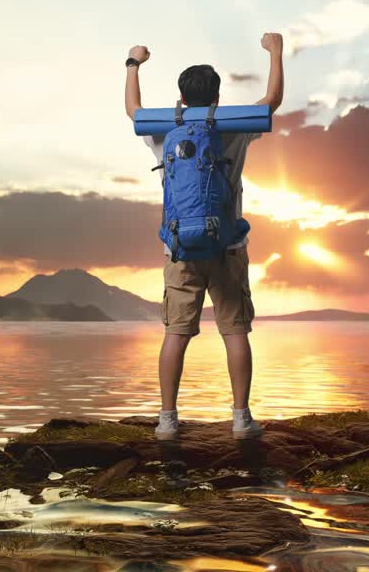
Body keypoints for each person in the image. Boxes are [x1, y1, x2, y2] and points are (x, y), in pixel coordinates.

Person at [124, 32, 285, 441]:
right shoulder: (233, 130)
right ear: (216, 98)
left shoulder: (163, 132)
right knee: (234, 331)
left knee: (176, 334)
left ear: (181, 98)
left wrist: (133, 63)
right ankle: (241, 419)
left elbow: (133, 110)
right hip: (228, 247)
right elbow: (271, 101)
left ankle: (166, 420)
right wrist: (275, 51)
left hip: (179, 249)